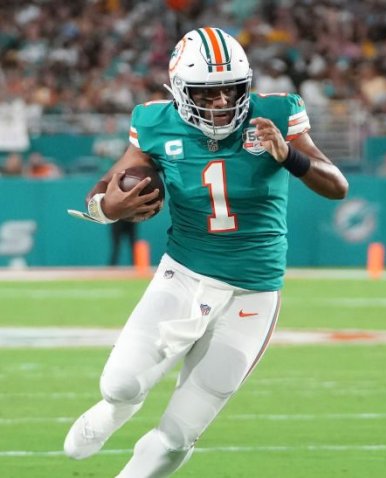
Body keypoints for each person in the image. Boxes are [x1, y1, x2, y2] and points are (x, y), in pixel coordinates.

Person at [63, 27, 348, 477]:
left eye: (231, 89)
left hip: (251, 292)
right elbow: (108, 186)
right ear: (179, 89)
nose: (221, 102)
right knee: (118, 384)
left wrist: (290, 157)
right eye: (207, 93)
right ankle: (114, 411)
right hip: (184, 274)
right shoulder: (155, 122)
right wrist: (106, 208)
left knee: (178, 435)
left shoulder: (275, 113)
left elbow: (337, 185)